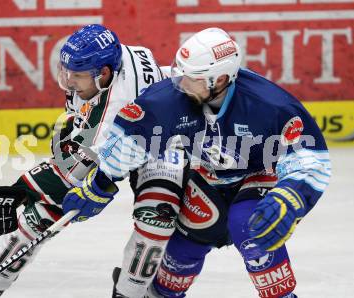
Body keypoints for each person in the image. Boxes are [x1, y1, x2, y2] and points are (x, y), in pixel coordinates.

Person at [62, 27, 331, 297]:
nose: (181, 84)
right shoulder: (170, 98)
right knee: (184, 248)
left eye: (193, 78)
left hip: (257, 174)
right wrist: (97, 186)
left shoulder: (270, 105)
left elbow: (310, 159)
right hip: (208, 177)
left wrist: (291, 196)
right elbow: (129, 142)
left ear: (221, 79)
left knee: (251, 225)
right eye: (181, 74)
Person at [0, 24, 184, 298]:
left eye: (78, 76)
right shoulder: (106, 67)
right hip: (123, 136)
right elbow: (78, 150)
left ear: (104, 73)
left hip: (165, 142)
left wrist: (21, 190)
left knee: (157, 215)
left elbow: (77, 169)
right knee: (43, 214)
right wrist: (32, 192)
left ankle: (132, 292)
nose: (69, 81)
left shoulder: (117, 105)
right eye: (66, 72)